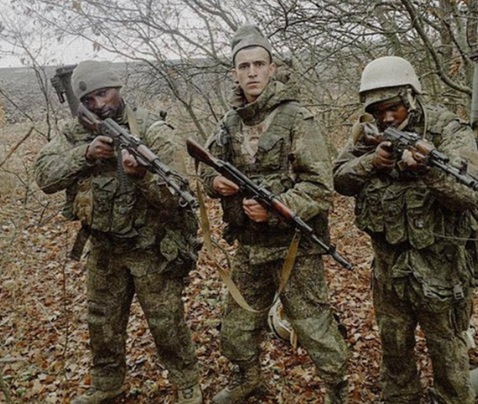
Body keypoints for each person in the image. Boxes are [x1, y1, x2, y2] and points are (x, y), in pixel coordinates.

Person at [34, 60, 202, 404]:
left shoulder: (151, 130)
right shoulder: (75, 132)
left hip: (151, 247)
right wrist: (85, 154)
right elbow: (44, 175)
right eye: (89, 99)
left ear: (118, 88)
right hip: (104, 248)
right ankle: (107, 384)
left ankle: (187, 383)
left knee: (166, 322)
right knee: (102, 322)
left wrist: (141, 176)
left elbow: (177, 196)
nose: (98, 104)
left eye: (104, 93)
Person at [199, 25, 349, 404]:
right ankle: (248, 379)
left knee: (314, 327)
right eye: (244, 66)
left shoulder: (297, 119)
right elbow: (204, 168)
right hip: (250, 246)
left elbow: (320, 187)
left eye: (258, 64)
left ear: (272, 68)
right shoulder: (228, 124)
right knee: (237, 324)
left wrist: (275, 210)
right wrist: (215, 183)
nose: (251, 72)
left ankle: (336, 390)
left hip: (294, 247)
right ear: (234, 73)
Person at [333, 56, 478, 404]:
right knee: (395, 350)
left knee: (449, 358)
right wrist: (372, 162)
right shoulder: (368, 133)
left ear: (411, 98)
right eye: (379, 110)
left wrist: (427, 170)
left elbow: (470, 194)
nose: (387, 117)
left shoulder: (446, 129)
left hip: (440, 270)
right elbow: (339, 178)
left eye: (394, 108)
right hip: (388, 269)